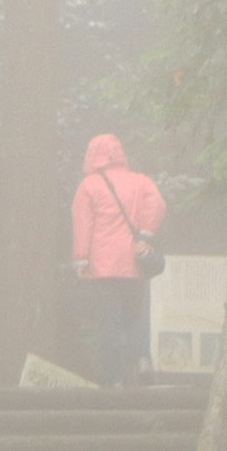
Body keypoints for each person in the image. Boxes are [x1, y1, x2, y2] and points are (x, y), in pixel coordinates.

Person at [67, 131, 164, 387]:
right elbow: (157, 204)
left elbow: (83, 224)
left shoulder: (89, 185)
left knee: (107, 322)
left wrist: (81, 260)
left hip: (104, 265)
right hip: (134, 261)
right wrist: (145, 236)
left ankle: (113, 378)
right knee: (135, 318)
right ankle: (142, 360)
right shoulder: (140, 181)